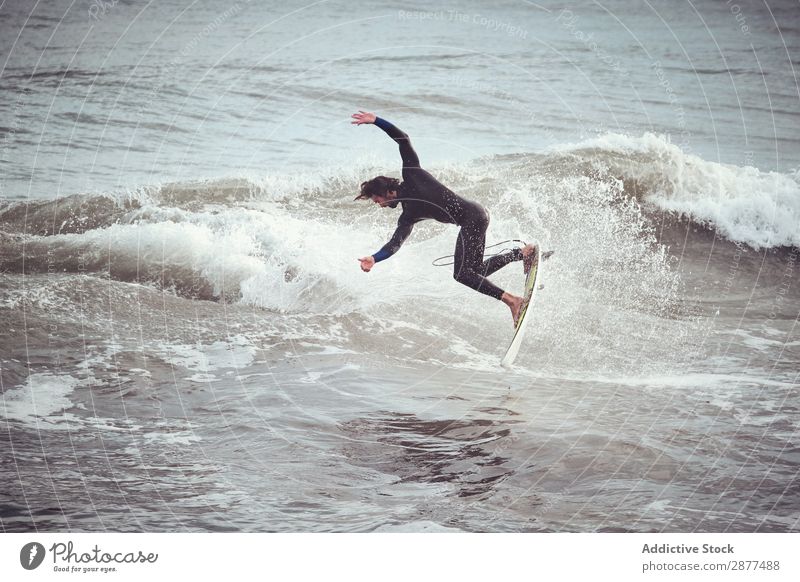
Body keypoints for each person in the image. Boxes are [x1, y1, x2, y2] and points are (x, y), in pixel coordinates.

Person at [352, 110, 536, 326]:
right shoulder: (408, 215)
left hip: (472, 217)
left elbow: (403, 140)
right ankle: (522, 253)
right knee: (474, 272)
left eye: (377, 200)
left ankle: (513, 301)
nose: (379, 205)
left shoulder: (412, 174)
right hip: (476, 216)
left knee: (461, 274)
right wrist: (375, 258)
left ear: (386, 191)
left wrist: (376, 121)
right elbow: (395, 244)